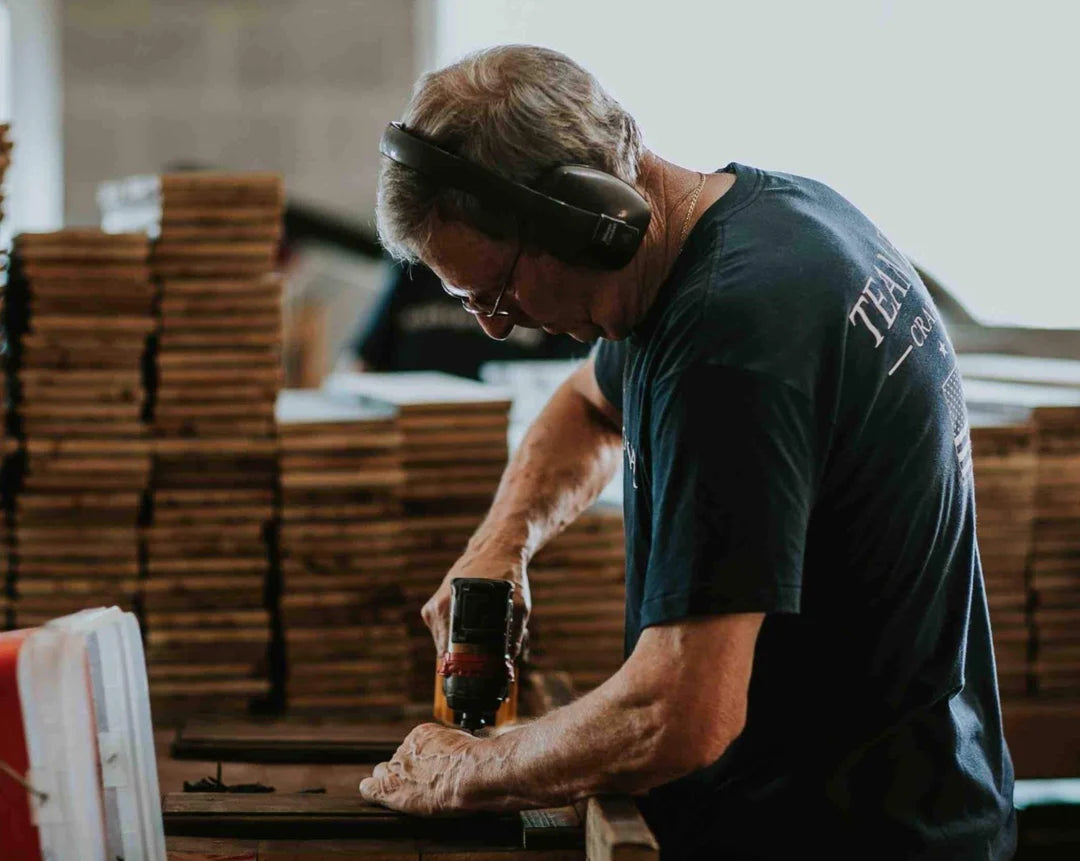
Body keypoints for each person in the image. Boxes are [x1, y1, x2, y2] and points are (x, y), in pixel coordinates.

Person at [359, 45, 1016, 859]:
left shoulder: (730, 343)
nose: (497, 325)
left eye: (497, 292)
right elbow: (588, 405)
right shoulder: (763, 225)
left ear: (581, 212)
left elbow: (679, 715)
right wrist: (499, 546)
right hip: (907, 799)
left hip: (851, 834)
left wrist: (473, 769)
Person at [345, 258, 590, 379]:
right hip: (409, 439)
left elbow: (572, 388)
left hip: (501, 442)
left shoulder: (543, 275)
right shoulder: (415, 266)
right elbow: (362, 363)